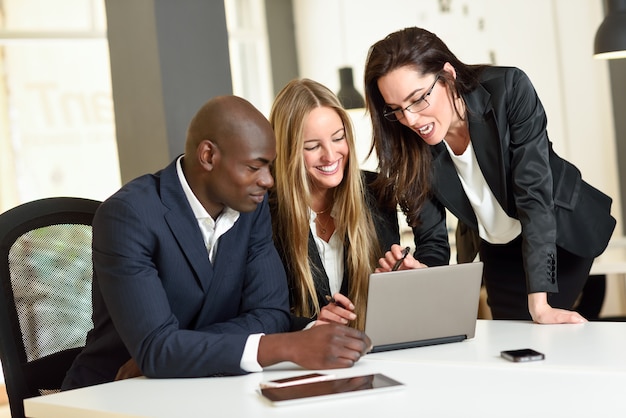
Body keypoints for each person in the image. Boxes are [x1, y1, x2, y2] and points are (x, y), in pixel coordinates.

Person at [62, 95, 371, 390]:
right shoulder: (128, 216)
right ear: (208, 156)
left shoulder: (252, 206)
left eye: (269, 166)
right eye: (254, 167)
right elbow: (158, 350)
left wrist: (178, 350)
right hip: (116, 392)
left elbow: (271, 314)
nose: (268, 180)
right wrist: (285, 345)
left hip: (204, 386)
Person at [363, 27, 616, 324]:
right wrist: (422, 272)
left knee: (539, 331)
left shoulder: (508, 89)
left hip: (556, 233)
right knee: (510, 340)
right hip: (496, 246)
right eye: (396, 109)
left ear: (447, 74)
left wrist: (541, 306)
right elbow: (433, 239)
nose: (411, 120)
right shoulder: (409, 145)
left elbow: (534, 195)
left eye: (418, 99)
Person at [268, 78, 449, 331]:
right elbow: (258, 314)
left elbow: (387, 314)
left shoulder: (376, 193)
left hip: (371, 355)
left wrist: (396, 286)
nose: (331, 156)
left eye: (338, 138)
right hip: (298, 363)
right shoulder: (263, 212)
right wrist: (309, 328)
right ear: (288, 151)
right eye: (312, 146)